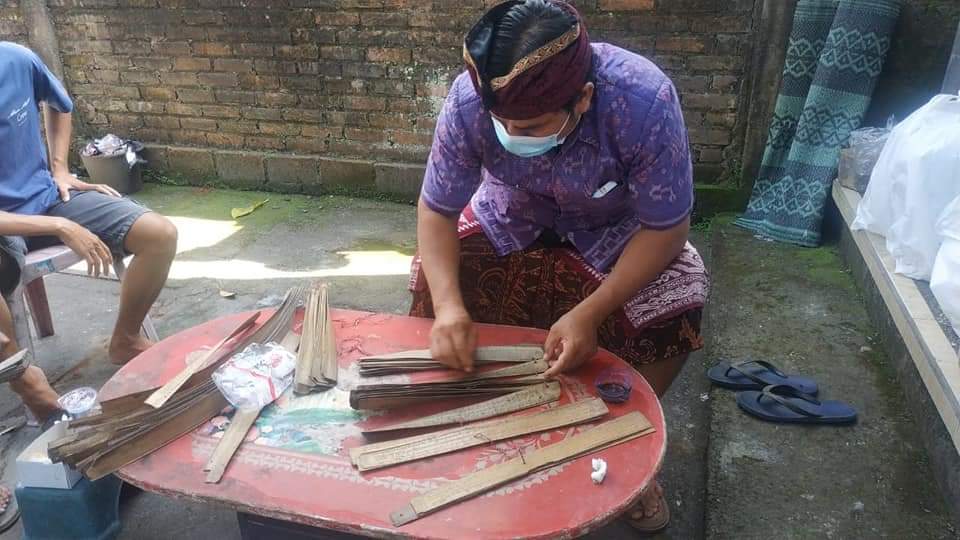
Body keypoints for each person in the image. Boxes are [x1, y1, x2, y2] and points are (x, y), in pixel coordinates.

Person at [409, 0, 709, 533]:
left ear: (584, 98)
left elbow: (667, 227)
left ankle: (620, 442)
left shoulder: (645, 101)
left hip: (614, 232)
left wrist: (591, 312)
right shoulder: (469, 100)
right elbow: (437, 210)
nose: (512, 134)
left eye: (530, 126)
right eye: (502, 124)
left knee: (679, 294)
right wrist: (450, 308)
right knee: (432, 281)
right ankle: (473, 430)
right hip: (511, 215)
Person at [0, 42, 178, 422]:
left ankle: (126, 339)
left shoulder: (16, 60)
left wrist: (60, 168)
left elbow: (60, 105)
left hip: (47, 198)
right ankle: (26, 381)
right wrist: (59, 225)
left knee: (159, 235)